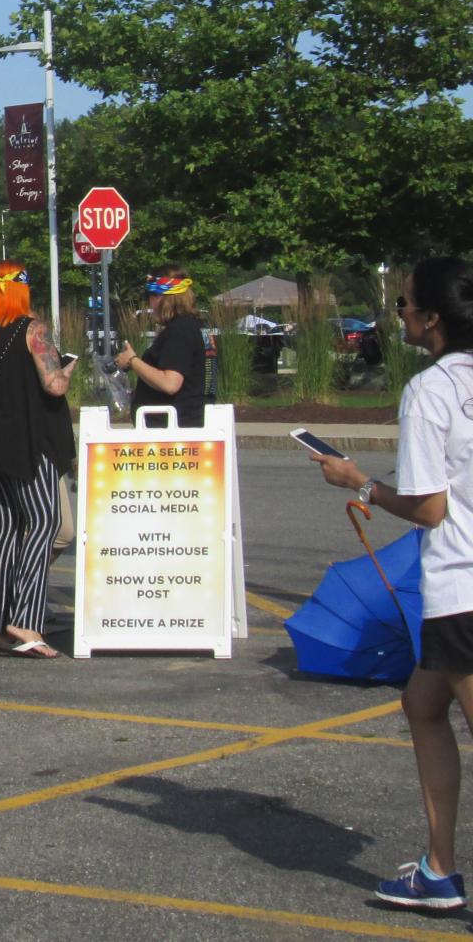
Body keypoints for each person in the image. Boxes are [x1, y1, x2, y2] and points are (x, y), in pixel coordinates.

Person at [314, 257, 473, 912]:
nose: (400, 313)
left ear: (432, 319)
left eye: (405, 305)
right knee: (422, 705)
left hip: (462, 584)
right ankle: (439, 868)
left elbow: (430, 507)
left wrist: (363, 485)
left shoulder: (431, 391)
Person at [0, 261, 75, 658]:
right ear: (22, 291)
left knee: (7, 527)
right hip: (31, 441)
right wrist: (69, 366)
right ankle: (26, 620)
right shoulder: (34, 330)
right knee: (46, 521)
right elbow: (54, 384)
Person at [115, 266, 206, 427]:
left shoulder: (180, 330)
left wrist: (133, 361)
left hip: (173, 431)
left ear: (161, 298)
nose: (149, 302)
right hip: (169, 426)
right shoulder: (184, 327)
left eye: (150, 296)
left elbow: (170, 383)